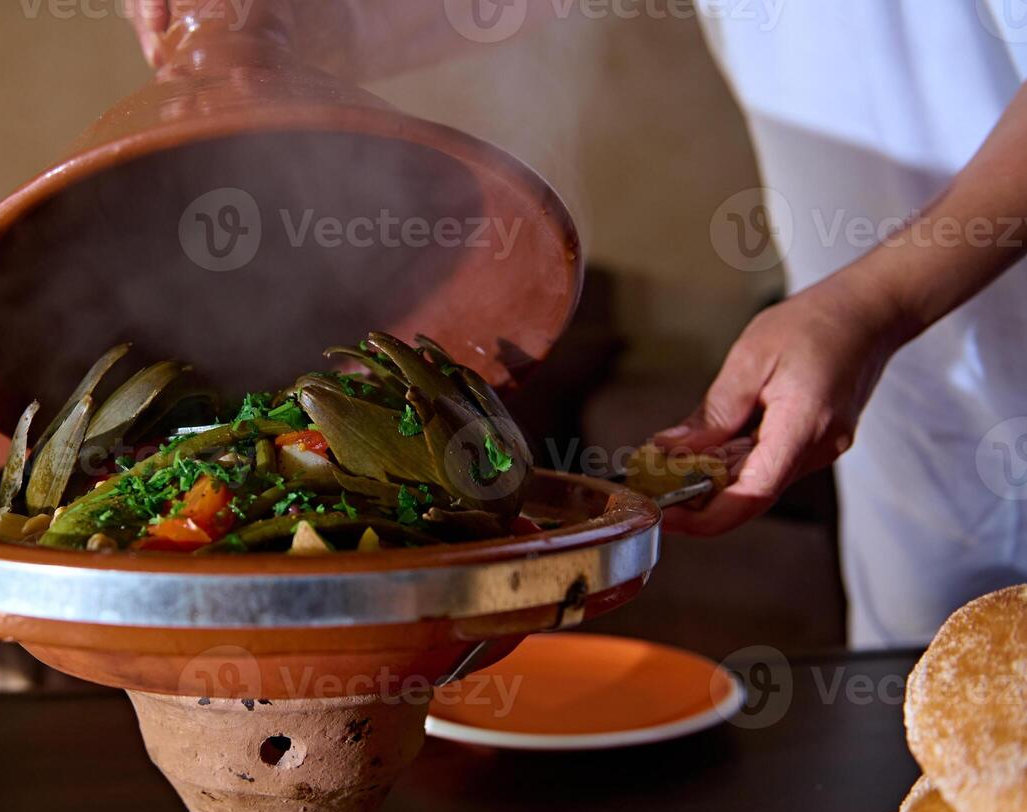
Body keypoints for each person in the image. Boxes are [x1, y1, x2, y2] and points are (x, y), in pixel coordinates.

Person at [132, 0, 1027, 648]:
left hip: (895, 313)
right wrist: (295, 23)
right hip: (909, 407)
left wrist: (875, 302)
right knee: (937, 766)